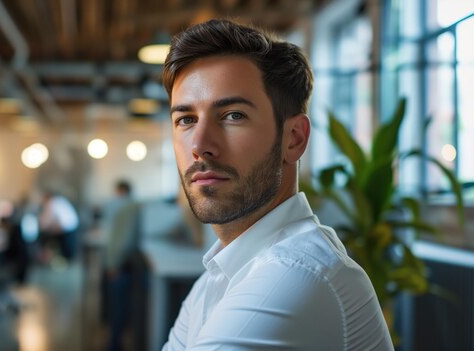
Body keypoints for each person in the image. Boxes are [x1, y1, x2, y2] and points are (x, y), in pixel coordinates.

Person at [161, 19, 393, 350]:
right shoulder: (221, 274)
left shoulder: (295, 275)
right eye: (186, 120)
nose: (200, 144)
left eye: (233, 115)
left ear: (294, 139)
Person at [102, 180, 142, 351]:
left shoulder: (127, 209)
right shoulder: (134, 206)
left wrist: (113, 264)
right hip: (124, 263)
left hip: (120, 265)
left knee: (118, 308)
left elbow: (121, 240)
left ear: (120, 191)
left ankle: (114, 345)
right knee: (120, 307)